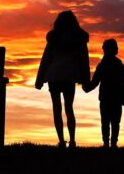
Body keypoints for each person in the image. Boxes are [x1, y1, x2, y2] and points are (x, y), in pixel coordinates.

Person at [35, 10, 91, 148]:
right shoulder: (79, 38)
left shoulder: (54, 38)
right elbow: (84, 60)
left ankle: (61, 141)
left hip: (54, 75)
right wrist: (85, 79)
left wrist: (40, 78)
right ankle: (72, 140)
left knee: (57, 108)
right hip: (69, 76)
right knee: (69, 108)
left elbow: (46, 59)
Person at [85, 38, 124, 147]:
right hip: (113, 99)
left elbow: (95, 82)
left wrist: (87, 87)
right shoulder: (118, 66)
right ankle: (111, 143)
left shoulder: (104, 65)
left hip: (108, 99)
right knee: (113, 122)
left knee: (108, 122)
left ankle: (108, 143)